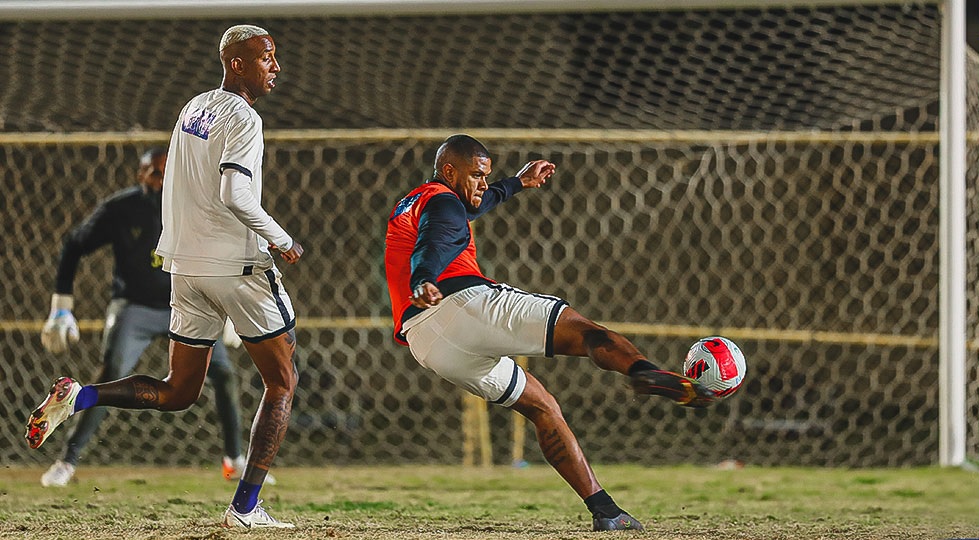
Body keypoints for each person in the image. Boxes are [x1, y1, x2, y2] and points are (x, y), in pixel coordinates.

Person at [26, 24, 303, 529]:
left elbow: (178, 184)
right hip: (235, 267)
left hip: (186, 268)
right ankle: (244, 507)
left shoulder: (194, 107)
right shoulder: (244, 118)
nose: (276, 66)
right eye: (266, 57)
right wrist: (282, 240)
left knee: (179, 391)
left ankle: (82, 395)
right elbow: (235, 196)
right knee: (282, 381)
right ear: (236, 63)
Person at [384, 134, 716, 532]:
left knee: (542, 407)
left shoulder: (419, 200)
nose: (484, 184)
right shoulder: (443, 203)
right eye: (477, 175)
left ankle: (607, 511)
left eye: (487, 176)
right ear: (449, 170)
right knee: (587, 332)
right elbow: (434, 242)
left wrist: (516, 182)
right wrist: (424, 277)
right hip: (463, 304)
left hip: (427, 342)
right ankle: (642, 371)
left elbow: (468, 209)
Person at [36, 147, 265, 488]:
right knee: (113, 369)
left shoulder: (197, 206)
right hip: (136, 306)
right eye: (155, 173)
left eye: (168, 172)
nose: (163, 179)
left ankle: (234, 460)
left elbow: (227, 253)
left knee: (224, 374)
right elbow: (74, 244)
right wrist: (61, 306)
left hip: (188, 306)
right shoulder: (121, 209)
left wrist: (232, 309)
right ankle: (67, 461)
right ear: (140, 175)